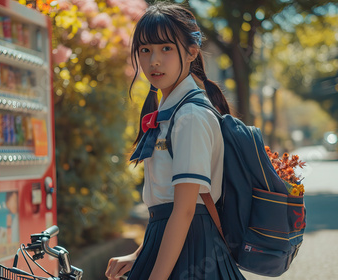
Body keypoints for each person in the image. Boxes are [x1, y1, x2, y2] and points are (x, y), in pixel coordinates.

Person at [105, 2, 246, 280]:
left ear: (191, 52)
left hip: (192, 249)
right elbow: (167, 208)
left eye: (166, 48)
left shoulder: (190, 116)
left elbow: (183, 211)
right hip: (177, 244)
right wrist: (139, 255)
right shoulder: (172, 113)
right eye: (145, 50)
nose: (153, 60)